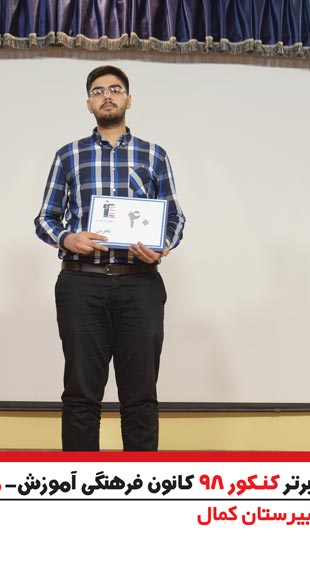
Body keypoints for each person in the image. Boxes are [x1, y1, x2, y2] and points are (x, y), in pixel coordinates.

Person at [34, 65, 186, 451]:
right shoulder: (69, 155)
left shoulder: (154, 155)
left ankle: (141, 480)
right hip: (81, 282)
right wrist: (68, 238)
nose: (107, 96)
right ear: (89, 104)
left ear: (128, 100)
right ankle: (80, 479)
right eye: (98, 91)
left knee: (140, 393)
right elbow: (45, 218)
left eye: (115, 89)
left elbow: (174, 217)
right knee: (81, 392)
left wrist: (162, 244)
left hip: (140, 282)